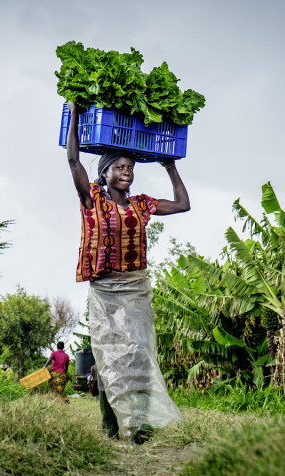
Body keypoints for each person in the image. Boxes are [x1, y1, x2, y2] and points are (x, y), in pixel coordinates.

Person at [67, 101, 189, 442]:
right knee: (107, 357)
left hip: (135, 288)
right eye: (119, 167)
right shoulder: (92, 201)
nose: (126, 172)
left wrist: (170, 167)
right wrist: (75, 112)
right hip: (104, 291)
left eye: (130, 168)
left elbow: (182, 205)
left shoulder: (141, 205)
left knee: (137, 353)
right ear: (104, 173)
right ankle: (111, 425)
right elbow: (73, 160)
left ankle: (138, 425)